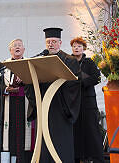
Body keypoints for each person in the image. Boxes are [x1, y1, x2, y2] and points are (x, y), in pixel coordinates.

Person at [25, 28, 81, 162]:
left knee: (60, 142)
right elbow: (32, 82)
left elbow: (74, 84)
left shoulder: (70, 60)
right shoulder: (39, 60)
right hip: (44, 104)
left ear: (60, 43)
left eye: (54, 42)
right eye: (48, 41)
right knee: (44, 139)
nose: (51, 44)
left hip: (61, 106)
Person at [70, 37, 104, 163]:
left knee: (91, 130)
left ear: (83, 48)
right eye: (74, 46)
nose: (76, 48)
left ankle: (96, 158)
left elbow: (97, 78)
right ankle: (76, 157)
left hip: (88, 101)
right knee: (75, 131)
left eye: (79, 46)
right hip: (73, 101)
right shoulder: (68, 62)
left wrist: (81, 82)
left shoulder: (89, 62)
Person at [1, 39, 35, 163]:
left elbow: (33, 83)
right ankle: (10, 158)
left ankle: (23, 159)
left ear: (24, 50)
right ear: (10, 50)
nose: (17, 47)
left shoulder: (28, 64)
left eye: (20, 45)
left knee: (22, 130)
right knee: (9, 130)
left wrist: (23, 84)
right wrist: (6, 89)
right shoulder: (3, 65)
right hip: (8, 102)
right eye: (14, 46)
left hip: (24, 100)